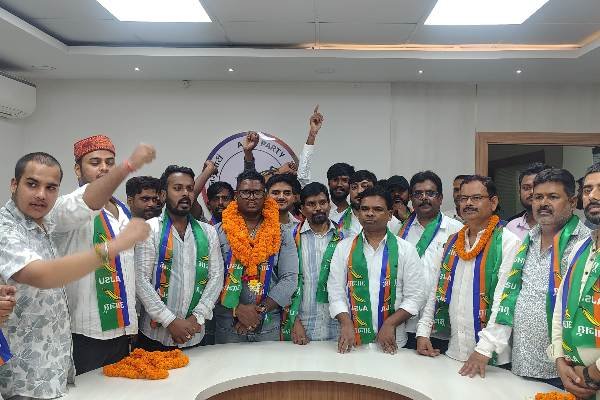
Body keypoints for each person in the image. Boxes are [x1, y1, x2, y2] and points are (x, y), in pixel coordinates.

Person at [0, 151, 150, 399]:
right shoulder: (5, 227)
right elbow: (43, 276)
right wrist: (115, 246)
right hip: (24, 375)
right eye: (32, 184)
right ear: (14, 184)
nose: (41, 194)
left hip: (56, 363)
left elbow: (84, 202)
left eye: (51, 188)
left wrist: (127, 166)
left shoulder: (45, 221)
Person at [52, 135, 156, 375]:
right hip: (86, 332)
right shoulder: (65, 206)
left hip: (123, 329)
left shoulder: (123, 212)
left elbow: (127, 272)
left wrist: (132, 324)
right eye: (95, 162)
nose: (104, 168)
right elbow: (86, 202)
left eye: (110, 162)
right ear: (77, 169)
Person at [416, 175, 521, 378]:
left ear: (493, 202)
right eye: (463, 199)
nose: (468, 203)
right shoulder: (451, 242)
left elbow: (505, 301)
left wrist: (484, 350)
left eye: (476, 198)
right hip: (454, 351)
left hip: (492, 360)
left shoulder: (508, 242)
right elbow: (436, 290)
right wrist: (423, 330)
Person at [495, 168, 589, 387]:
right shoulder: (528, 238)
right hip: (521, 362)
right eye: (538, 197)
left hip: (565, 370)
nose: (543, 203)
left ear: (572, 202)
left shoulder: (585, 243)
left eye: (553, 197)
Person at [328, 186, 427, 354]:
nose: (370, 213)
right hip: (352, 342)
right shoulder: (343, 248)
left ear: (390, 214)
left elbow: (415, 296)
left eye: (378, 209)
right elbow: (335, 293)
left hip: (392, 343)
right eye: (364, 209)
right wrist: (345, 322)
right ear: (359, 213)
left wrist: (390, 323)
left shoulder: (406, 250)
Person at [135, 165, 224, 351]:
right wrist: (170, 321)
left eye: (190, 188)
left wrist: (197, 317)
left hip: (195, 332)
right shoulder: (149, 229)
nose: (185, 193)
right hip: (154, 336)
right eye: (177, 188)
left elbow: (216, 277)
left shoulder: (208, 232)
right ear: (163, 195)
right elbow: (140, 280)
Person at [213, 169, 298, 343]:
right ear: (236, 195)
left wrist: (259, 312)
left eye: (257, 192)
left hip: (268, 325)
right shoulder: (217, 232)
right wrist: (238, 310)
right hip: (228, 324)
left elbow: (289, 279)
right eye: (246, 192)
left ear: (265, 195)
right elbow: (210, 278)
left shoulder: (281, 233)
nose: (251, 197)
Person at [550, 163, 600, 399]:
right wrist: (560, 359)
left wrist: (592, 374)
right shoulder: (581, 248)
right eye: (588, 189)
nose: (593, 196)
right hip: (577, 378)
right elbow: (561, 309)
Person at [400, 171, 463, 351]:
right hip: (406, 324)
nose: (424, 198)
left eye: (430, 193)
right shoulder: (400, 231)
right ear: (411, 199)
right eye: (418, 194)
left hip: (442, 326)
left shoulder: (457, 230)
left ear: (440, 198)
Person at [281, 182, 343, 344]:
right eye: (311, 204)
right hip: (302, 325)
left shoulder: (345, 237)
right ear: (302, 209)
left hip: (338, 325)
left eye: (322, 203)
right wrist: (293, 320)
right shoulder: (289, 237)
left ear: (329, 205)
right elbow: (282, 281)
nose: (318, 208)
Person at [506, 163, 551, 240]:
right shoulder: (511, 227)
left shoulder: (559, 226)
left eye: (536, 187)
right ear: (519, 192)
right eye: (526, 188)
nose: (532, 192)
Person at [338, 170, 377, 238]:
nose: (359, 191)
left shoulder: (387, 220)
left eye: (364, 186)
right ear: (349, 191)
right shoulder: (337, 220)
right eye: (354, 187)